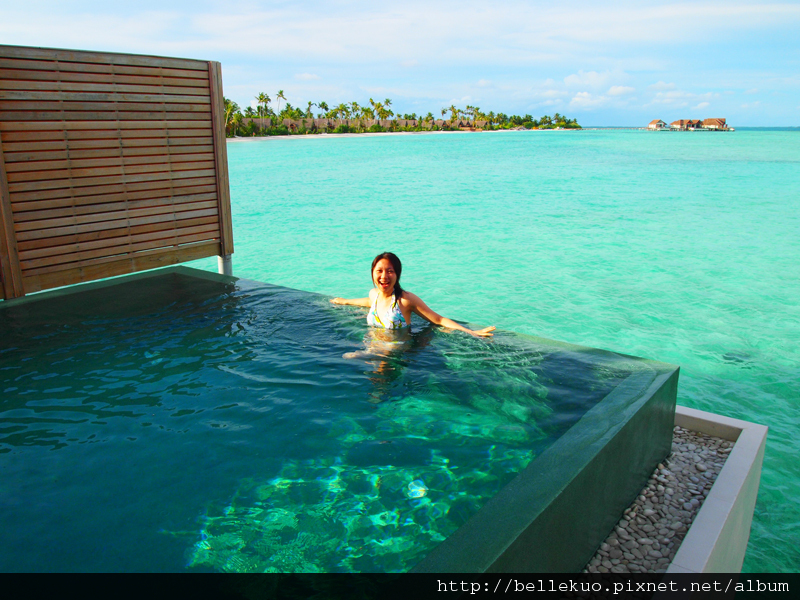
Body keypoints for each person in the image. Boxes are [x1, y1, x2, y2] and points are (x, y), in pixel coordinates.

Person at [330, 252, 495, 337]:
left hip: (395, 353)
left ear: (397, 275)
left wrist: (472, 332)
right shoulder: (374, 295)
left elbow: (438, 319)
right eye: (379, 271)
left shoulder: (405, 300)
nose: (384, 276)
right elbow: (368, 302)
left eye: (390, 271)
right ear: (372, 273)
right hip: (373, 347)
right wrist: (345, 301)